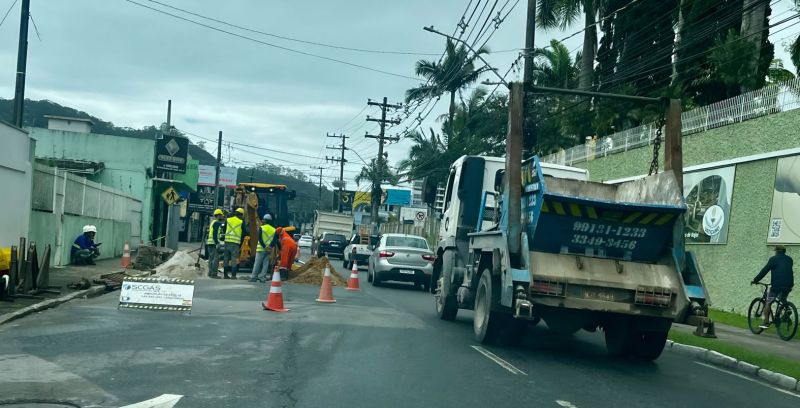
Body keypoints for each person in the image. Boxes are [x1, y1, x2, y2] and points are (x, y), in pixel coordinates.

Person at [752, 245, 794, 328]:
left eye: (775, 251)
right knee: (782, 299)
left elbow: (764, 271)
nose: (774, 252)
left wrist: (756, 280)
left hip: (776, 286)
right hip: (789, 285)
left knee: (768, 302)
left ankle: (766, 322)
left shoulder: (773, 259)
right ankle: (787, 309)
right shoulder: (789, 259)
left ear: (777, 251)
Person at [250, 214, 276, 283]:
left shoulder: (262, 228)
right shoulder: (274, 230)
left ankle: (254, 277)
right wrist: (270, 246)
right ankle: (262, 277)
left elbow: (260, 239)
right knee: (265, 264)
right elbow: (274, 240)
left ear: (265, 220)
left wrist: (264, 246)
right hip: (268, 250)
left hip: (261, 249)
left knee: (257, 263)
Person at [223, 208, 246, 279]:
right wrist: (241, 240)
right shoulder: (241, 222)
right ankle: (233, 275)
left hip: (227, 241)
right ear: (241, 215)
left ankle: (225, 275)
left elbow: (224, 229)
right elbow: (244, 232)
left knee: (226, 258)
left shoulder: (228, 219)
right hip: (235, 243)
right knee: (234, 259)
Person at [206, 209, 225, 279]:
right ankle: (214, 274)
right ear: (219, 215)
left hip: (210, 243)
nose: (222, 217)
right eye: (221, 215)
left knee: (211, 259)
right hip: (214, 243)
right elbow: (214, 234)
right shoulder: (217, 223)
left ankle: (210, 273)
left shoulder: (212, 222)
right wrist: (217, 243)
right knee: (215, 260)